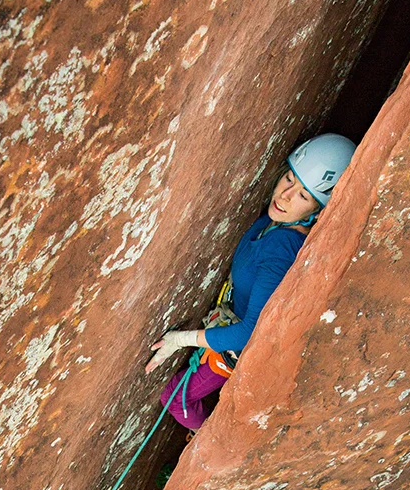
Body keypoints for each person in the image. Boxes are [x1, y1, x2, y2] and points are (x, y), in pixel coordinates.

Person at [147, 134, 356, 430]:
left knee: (175, 399)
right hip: (229, 326)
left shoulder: (281, 250)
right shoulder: (274, 224)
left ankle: (202, 439)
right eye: (289, 179)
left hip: (234, 348)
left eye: (303, 196)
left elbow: (247, 334)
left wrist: (180, 340)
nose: (284, 195)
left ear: (317, 211)